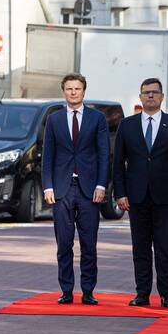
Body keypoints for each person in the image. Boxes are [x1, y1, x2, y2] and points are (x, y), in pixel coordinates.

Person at [113, 77, 168, 308]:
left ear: (162, 97)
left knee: (162, 247)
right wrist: (120, 193)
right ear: (140, 97)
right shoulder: (127, 125)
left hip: (166, 198)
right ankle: (142, 294)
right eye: (146, 92)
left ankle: (166, 295)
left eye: (154, 92)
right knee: (140, 247)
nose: (150, 96)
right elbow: (118, 163)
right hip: (135, 197)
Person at [42, 73, 110, 305]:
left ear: (84, 91)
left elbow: (104, 154)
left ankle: (89, 291)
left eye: (77, 89)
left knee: (89, 243)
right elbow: (48, 156)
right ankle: (67, 290)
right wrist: (47, 186)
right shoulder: (54, 119)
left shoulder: (97, 118)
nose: (73, 92)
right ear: (64, 91)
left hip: (90, 189)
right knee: (64, 243)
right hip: (61, 189)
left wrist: (102, 184)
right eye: (69, 89)